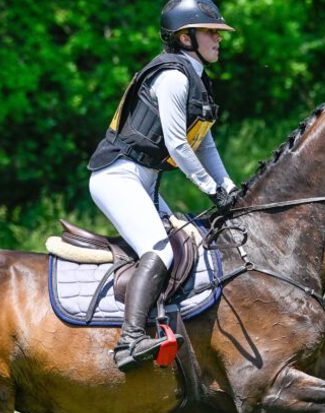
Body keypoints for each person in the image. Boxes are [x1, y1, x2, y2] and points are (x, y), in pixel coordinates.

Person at [88, 0, 240, 371]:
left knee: (189, 241)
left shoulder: (196, 79)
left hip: (144, 181)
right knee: (164, 252)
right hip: (117, 177)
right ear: (186, 37)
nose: (219, 39)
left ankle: (167, 326)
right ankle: (130, 340)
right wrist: (210, 189)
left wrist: (230, 187)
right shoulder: (172, 77)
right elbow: (177, 144)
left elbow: (204, 142)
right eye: (211, 33)